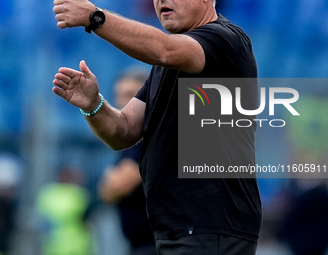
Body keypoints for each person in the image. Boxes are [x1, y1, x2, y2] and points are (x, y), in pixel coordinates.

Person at [52, 0, 262, 254]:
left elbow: (165, 49)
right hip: (178, 229)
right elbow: (124, 130)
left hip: (212, 226)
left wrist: (95, 17)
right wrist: (93, 104)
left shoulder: (226, 39)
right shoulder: (166, 65)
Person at [98, 68, 156, 255]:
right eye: (119, 95)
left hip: (154, 245)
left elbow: (116, 186)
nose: (123, 103)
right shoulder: (132, 138)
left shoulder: (148, 136)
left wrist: (111, 179)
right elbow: (106, 192)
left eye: (132, 95)